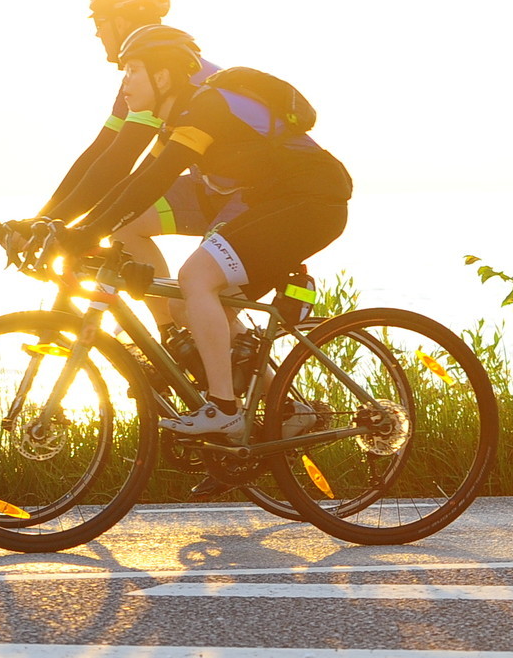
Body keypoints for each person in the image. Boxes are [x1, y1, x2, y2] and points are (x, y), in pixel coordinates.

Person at [59, 25, 353, 443]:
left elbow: (155, 179)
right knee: (192, 305)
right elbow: (137, 184)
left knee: (196, 278)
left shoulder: (208, 107)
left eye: (133, 70)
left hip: (310, 203)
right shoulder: (179, 118)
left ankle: (224, 410)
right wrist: (74, 229)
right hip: (275, 205)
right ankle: (289, 412)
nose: (124, 82)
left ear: (162, 76)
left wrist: (84, 233)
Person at [30, 0, 233, 330]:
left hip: (244, 198)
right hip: (211, 188)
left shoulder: (163, 72)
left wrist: (60, 225)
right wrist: (45, 220)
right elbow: (100, 151)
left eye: (99, 22)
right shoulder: (141, 73)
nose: (97, 33)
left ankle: (191, 335)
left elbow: (119, 160)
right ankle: (174, 334)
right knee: (124, 225)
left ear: (121, 20)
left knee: (196, 301)